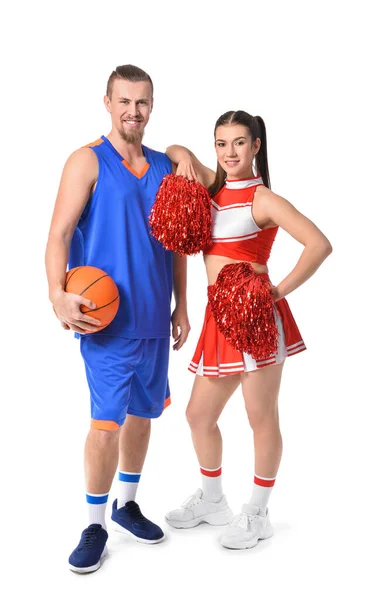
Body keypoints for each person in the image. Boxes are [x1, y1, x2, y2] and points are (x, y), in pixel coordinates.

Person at [164, 110, 332, 550]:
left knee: (261, 418)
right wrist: (185, 159)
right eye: (221, 143)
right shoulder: (212, 186)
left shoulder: (263, 198)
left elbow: (319, 244)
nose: (229, 152)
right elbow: (173, 150)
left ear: (256, 146)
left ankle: (257, 513)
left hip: (256, 317)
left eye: (239, 143)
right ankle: (214, 500)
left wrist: (277, 291)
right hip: (218, 319)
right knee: (198, 416)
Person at [45, 65, 190, 573]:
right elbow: (59, 234)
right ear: (107, 102)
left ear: (152, 107)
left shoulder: (164, 167)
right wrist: (56, 293)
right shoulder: (86, 161)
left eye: (143, 103)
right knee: (105, 423)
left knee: (143, 415)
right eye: (124, 101)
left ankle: (127, 505)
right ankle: (95, 523)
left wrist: (182, 307)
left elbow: (177, 243)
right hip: (104, 320)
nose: (134, 111)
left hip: (154, 315)